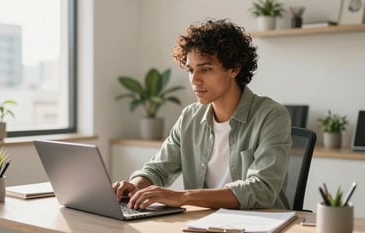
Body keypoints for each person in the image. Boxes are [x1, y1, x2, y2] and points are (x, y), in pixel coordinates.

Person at [113, 18, 292, 210]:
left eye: (205, 69)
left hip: (259, 224)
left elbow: (261, 190)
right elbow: (158, 168)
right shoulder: (190, 116)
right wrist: (136, 185)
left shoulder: (272, 116)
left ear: (234, 69)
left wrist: (183, 197)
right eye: (191, 70)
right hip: (201, 223)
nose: (195, 80)